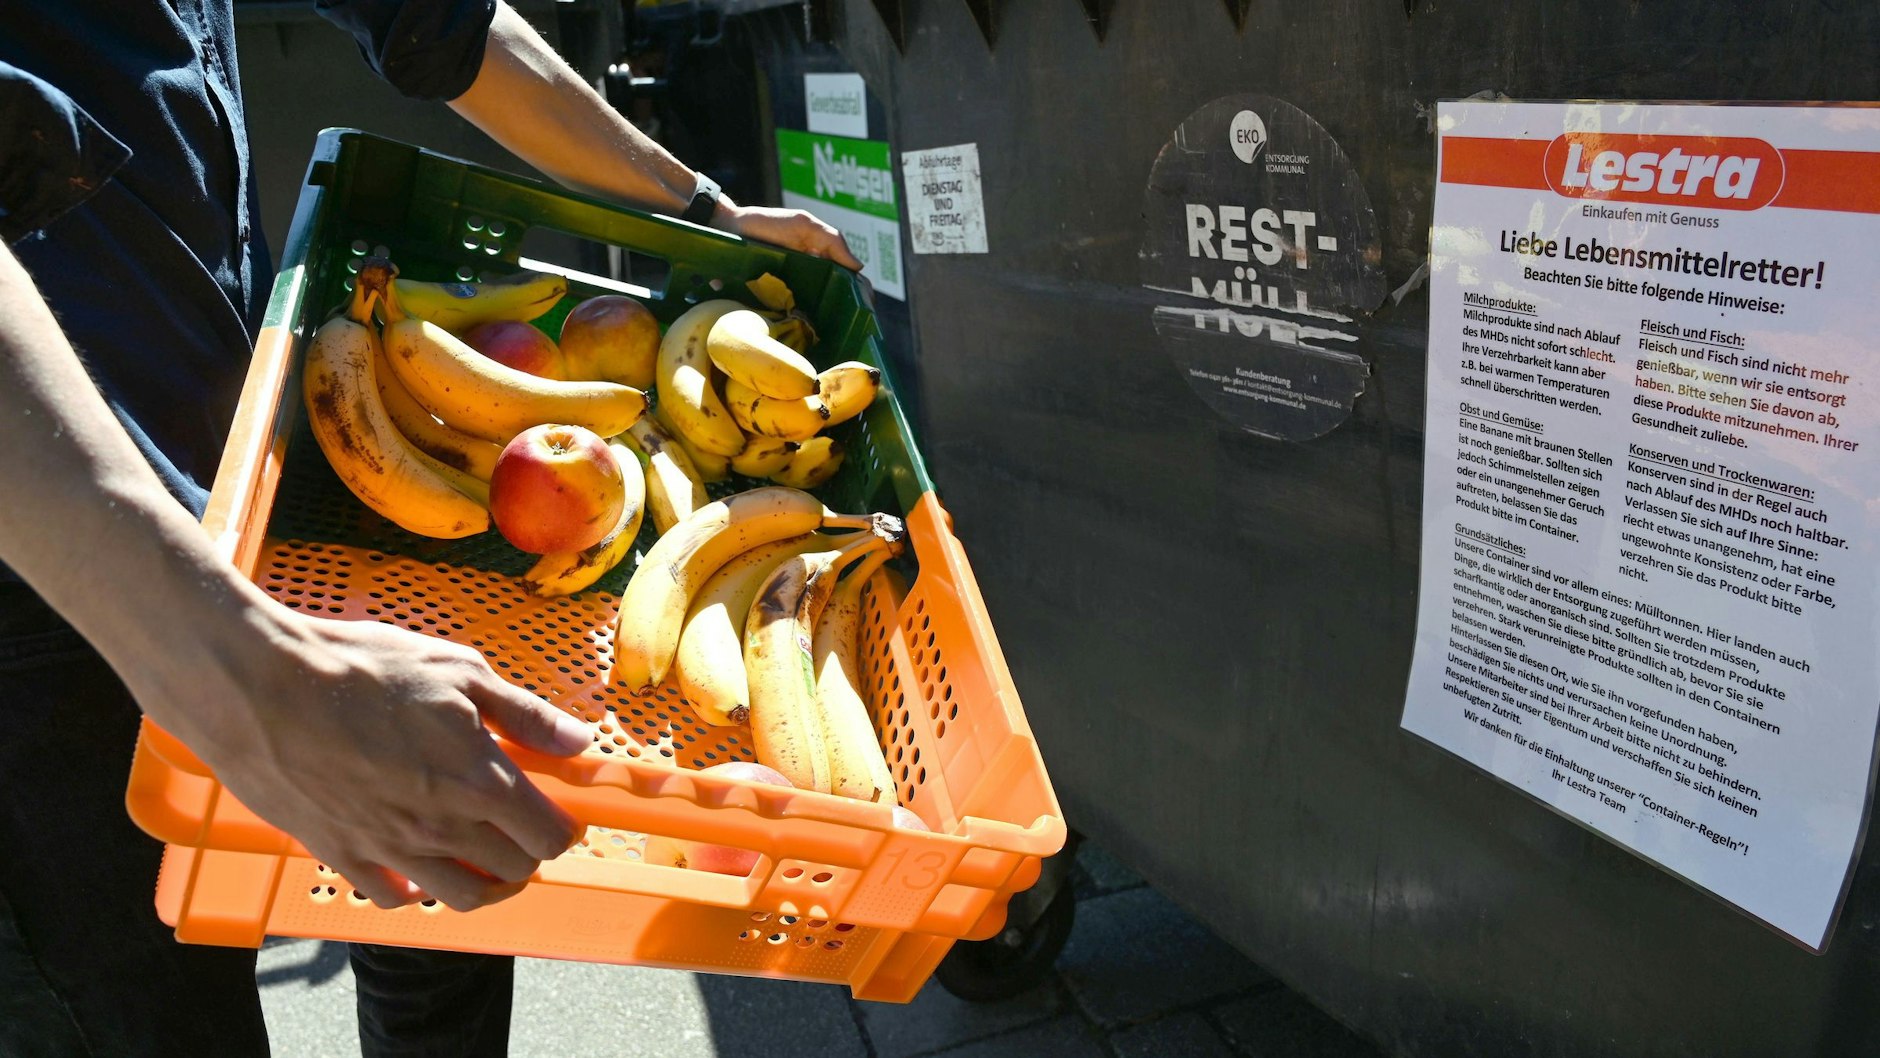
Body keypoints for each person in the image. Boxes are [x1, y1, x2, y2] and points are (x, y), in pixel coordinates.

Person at [0, 1, 860, 1054]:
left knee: (438, 906)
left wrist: (699, 206)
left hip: (242, 464)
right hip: (39, 568)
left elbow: (433, 20)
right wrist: (231, 662)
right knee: (152, 1012)